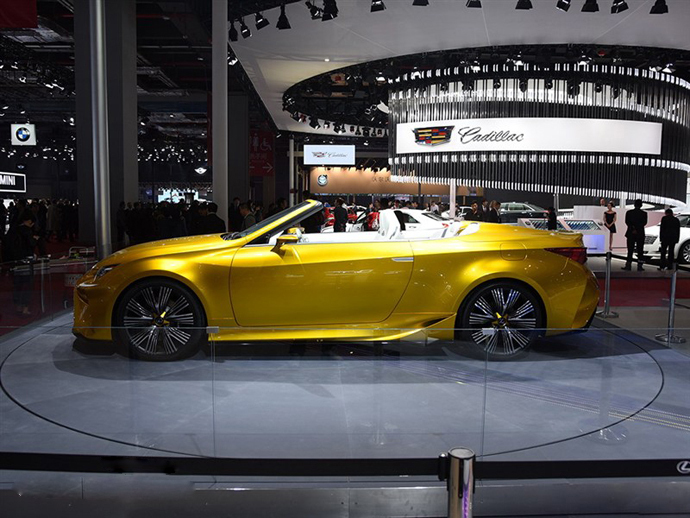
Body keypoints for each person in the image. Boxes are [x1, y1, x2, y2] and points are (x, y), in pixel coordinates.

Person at [623, 199, 647, 271]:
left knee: (630, 250)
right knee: (640, 250)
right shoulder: (644, 213)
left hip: (630, 233)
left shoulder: (629, 213)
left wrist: (633, 228)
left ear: (634, 204)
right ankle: (639, 266)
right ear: (641, 205)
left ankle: (628, 265)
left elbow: (627, 222)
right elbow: (644, 223)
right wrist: (637, 229)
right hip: (640, 233)